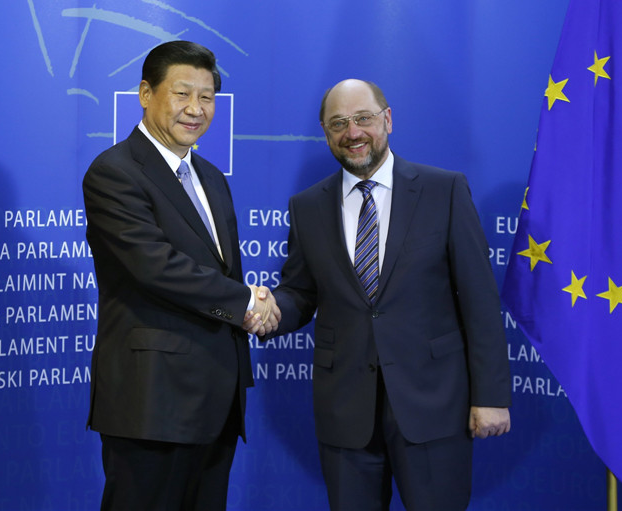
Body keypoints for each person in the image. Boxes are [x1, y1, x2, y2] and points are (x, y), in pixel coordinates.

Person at [262, 78, 511, 510]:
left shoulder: (444, 190)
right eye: (338, 123)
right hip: (346, 415)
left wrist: (489, 397)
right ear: (325, 133)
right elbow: (300, 293)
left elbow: (480, 300)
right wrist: (264, 311)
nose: (352, 133)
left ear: (388, 120)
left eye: (363, 119)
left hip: (433, 408)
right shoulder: (307, 207)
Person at [81, 40, 278, 511]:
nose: (196, 109)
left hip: (217, 398)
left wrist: (251, 306)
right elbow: (155, 266)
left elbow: (221, 269)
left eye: (207, 97)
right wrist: (247, 303)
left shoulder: (210, 176)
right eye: (182, 94)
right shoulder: (114, 172)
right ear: (146, 94)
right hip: (153, 401)